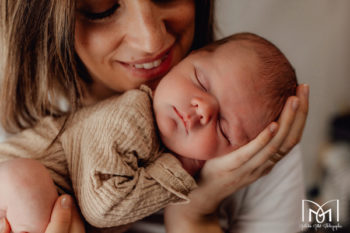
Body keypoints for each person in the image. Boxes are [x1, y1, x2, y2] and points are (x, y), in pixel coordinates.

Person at [0, 1, 309, 233]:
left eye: (225, 130)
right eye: (102, 7)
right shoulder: (131, 116)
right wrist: (182, 175)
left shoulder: (258, 157)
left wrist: (195, 210)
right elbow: (104, 205)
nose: (151, 40)